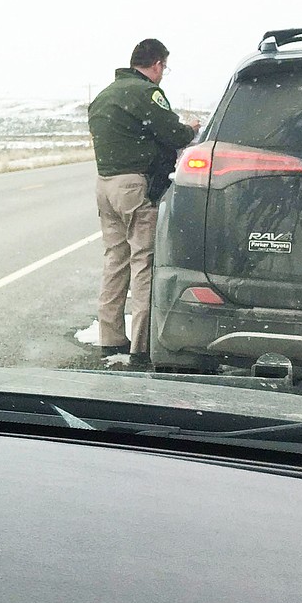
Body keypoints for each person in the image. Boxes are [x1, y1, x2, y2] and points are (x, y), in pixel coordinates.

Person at [87, 39, 199, 366]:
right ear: (157, 65)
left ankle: (111, 340)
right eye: (164, 67)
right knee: (144, 262)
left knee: (115, 261)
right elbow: (174, 135)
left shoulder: (105, 94)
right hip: (135, 187)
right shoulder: (146, 93)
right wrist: (190, 129)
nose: (163, 74)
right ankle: (141, 345)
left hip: (105, 185)